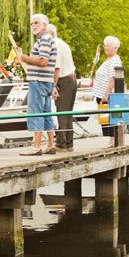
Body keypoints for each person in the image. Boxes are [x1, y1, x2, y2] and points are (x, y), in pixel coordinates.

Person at [19, 14, 58, 156]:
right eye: (31, 23)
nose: (33, 25)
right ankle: (50, 144)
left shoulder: (45, 40)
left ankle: (36, 146)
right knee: (46, 112)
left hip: (39, 81)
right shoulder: (47, 40)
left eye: (36, 23)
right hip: (46, 81)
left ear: (45, 25)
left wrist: (24, 58)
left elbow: (43, 61)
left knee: (35, 112)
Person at [48, 24, 77, 152]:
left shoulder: (54, 44)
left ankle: (61, 144)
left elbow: (56, 68)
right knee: (68, 113)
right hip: (71, 78)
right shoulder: (62, 43)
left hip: (64, 80)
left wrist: (53, 85)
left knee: (61, 112)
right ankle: (69, 143)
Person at [91, 36, 123, 138]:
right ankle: (111, 140)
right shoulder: (108, 59)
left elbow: (113, 78)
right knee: (104, 118)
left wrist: (106, 94)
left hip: (106, 95)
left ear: (115, 48)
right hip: (101, 94)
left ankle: (113, 141)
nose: (106, 48)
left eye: (109, 46)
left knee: (109, 118)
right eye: (106, 45)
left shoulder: (114, 60)